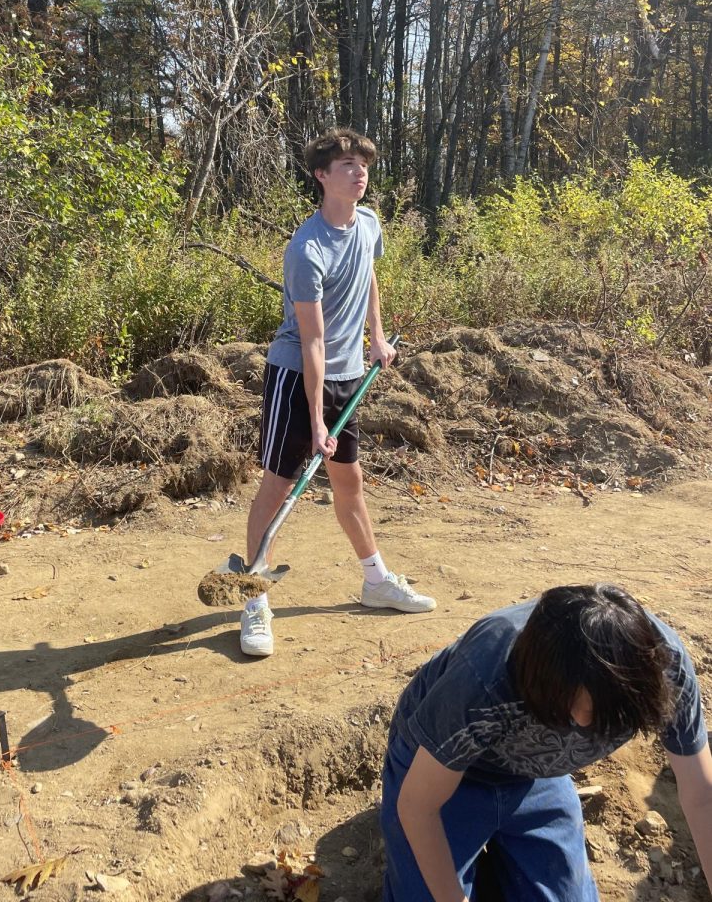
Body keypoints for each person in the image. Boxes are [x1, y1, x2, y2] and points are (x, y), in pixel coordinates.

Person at [381, 583, 712, 901]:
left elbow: (702, 796)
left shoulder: (663, 671)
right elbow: (418, 807)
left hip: (533, 776)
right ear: (546, 681)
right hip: (438, 770)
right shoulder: (485, 674)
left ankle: (496, 865)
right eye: (570, 711)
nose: (582, 727)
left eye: (605, 719)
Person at [239, 129, 436, 659]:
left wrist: (376, 335)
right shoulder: (306, 249)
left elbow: (369, 273)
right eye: (346, 165)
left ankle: (375, 581)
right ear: (322, 176)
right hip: (298, 376)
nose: (360, 172)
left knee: (349, 482)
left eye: (363, 163)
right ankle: (254, 597)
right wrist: (317, 420)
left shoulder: (368, 223)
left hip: (349, 373)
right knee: (277, 487)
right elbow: (313, 341)